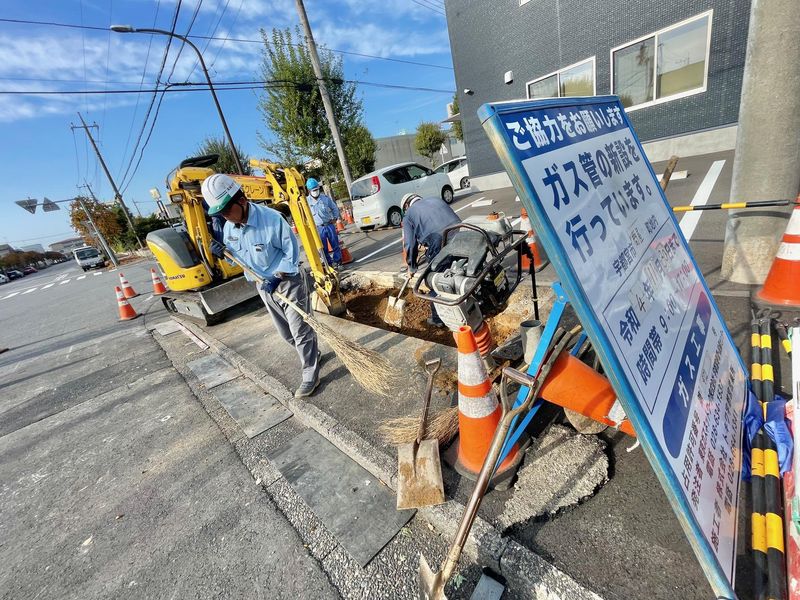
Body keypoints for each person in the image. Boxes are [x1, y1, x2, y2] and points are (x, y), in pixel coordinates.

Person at [201, 174, 321, 398]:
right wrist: (223, 255)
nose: (225, 216)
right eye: (220, 213)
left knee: (300, 331)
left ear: (242, 201)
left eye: (226, 209)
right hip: (262, 286)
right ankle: (313, 354)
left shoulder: (272, 219)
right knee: (286, 334)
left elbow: (291, 252)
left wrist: (278, 275)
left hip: (287, 282)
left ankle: (310, 374)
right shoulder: (229, 228)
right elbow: (236, 259)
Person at [400, 192, 461, 327]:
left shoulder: (408, 214)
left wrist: (412, 267)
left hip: (439, 240)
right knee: (460, 268)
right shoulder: (434, 198)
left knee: (434, 279)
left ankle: (438, 319)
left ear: (406, 206)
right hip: (460, 232)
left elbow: (410, 244)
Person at [305, 178, 343, 269]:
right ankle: (329, 264)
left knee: (335, 244)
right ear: (309, 190)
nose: (315, 191)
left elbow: (334, 208)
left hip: (329, 225)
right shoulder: (306, 202)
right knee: (323, 248)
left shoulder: (325, 198)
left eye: (317, 189)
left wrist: (335, 218)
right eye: (313, 190)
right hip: (318, 228)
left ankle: (338, 262)